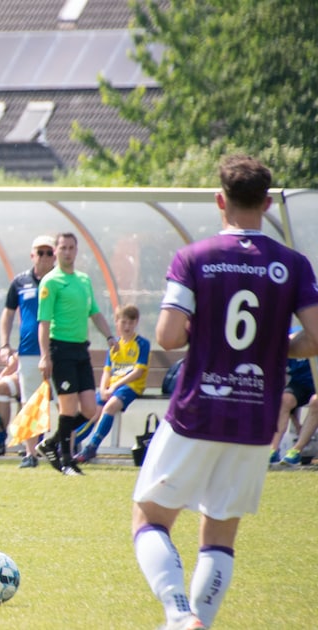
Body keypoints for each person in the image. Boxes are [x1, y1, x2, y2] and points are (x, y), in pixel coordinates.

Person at [132, 155, 318, 629]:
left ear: (221, 200)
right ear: (268, 202)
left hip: (198, 410)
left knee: (150, 518)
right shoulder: (293, 264)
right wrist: (277, 347)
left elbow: (169, 337)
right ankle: (203, 622)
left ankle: (177, 613)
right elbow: (315, 336)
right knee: (219, 534)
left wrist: (208, 332)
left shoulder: (195, 257)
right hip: (256, 419)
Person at [35, 232, 118, 476]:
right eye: (63, 248)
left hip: (81, 349)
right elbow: (44, 322)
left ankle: (50, 444)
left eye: (71, 248)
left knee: (91, 409)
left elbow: (95, 313)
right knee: (68, 408)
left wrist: (109, 336)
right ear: (56, 251)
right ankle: (66, 461)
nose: (67, 252)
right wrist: (45, 355)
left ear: (76, 251)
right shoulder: (50, 282)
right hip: (60, 349)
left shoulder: (83, 280)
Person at [0, 235, 58, 467]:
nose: (44, 257)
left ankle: (65, 450)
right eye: (39, 252)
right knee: (31, 403)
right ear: (32, 255)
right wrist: (5, 344)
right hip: (29, 351)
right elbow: (8, 313)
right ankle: (30, 454)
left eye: (48, 252)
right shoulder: (20, 282)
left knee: (63, 402)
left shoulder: (62, 280)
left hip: (58, 349)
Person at [74, 304, 151, 463]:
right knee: (93, 411)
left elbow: (138, 372)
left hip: (130, 387)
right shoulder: (114, 344)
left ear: (136, 322)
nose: (127, 326)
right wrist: (103, 388)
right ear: (116, 322)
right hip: (111, 388)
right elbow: (107, 371)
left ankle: (91, 448)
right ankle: (68, 444)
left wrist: (114, 386)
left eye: (131, 322)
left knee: (110, 406)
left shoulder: (142, 344)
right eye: (123, 322)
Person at [270, 347, 313, 463]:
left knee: (316, 401)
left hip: (315, 381)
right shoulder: (287, 342)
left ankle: (296, 450)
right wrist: (296, 423)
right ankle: (272, 450)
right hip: (300, 384)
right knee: (285, 399)